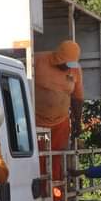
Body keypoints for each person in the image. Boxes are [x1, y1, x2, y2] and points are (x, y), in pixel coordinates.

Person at [33, 40, 84, 190]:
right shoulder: (38, 60)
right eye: (66, 63)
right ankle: (40, 193)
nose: (68, 67)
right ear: (58, 58)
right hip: (37, 122)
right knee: (39, 159)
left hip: (61, 123)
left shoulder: (75, 70)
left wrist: (77, 122)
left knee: (57, 159)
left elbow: (77, 98)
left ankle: (56, 197)